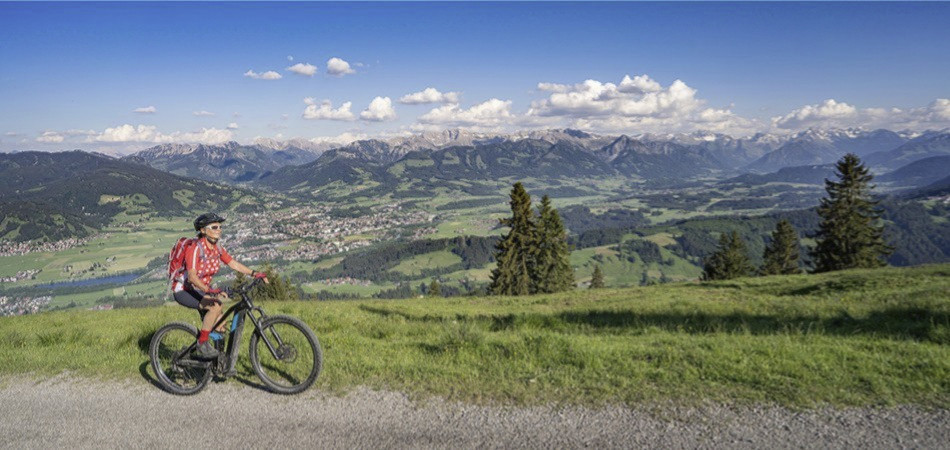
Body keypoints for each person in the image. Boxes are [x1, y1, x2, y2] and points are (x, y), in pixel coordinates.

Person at [172, 212, 268, 359]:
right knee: (215, 306)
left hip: (200, 290)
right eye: (214, 227)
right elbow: (192, 277)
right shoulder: (195, 249)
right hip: (184, 290)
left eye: (220, 227)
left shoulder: (217, 248)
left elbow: (232, 263)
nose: (219, 230)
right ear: (203, 230)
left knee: (220, 325)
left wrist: (254, 273)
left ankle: (216, 363)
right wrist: (209, 290)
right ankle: (202, 344)